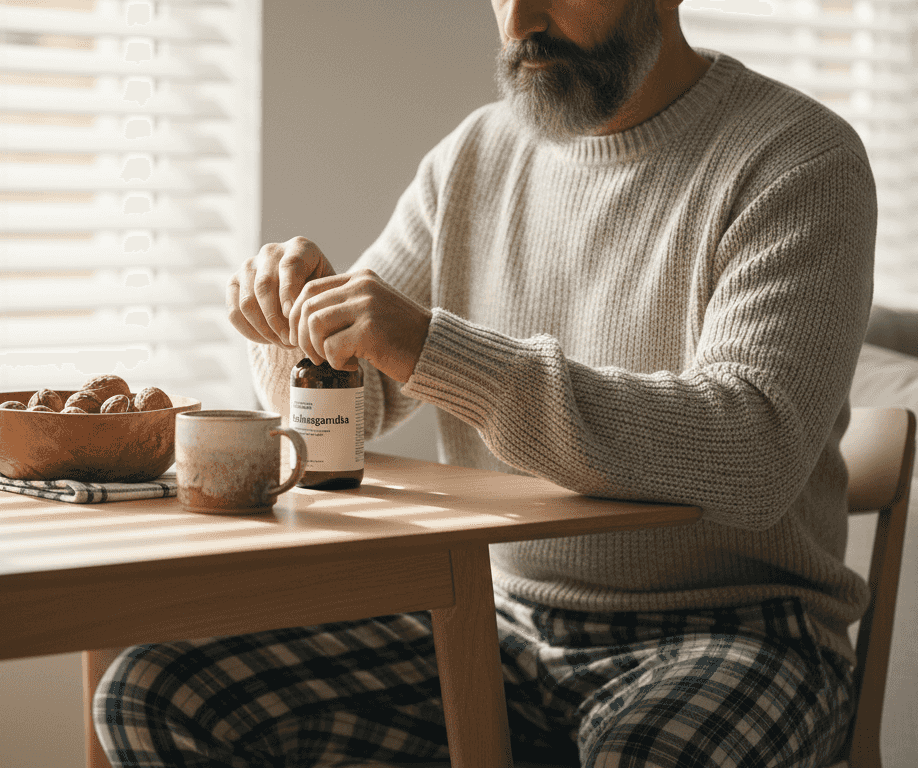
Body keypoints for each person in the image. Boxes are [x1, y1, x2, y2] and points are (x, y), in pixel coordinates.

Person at [95, 0, 877, 764]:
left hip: (737, 631)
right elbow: (357, 406)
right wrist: (298, 325)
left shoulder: (798, 157)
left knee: (648, 750)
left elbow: (752, 451)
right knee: (159, 690)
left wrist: (435, 346)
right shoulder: (474, 156)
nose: (520, 21)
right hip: (496, 620)